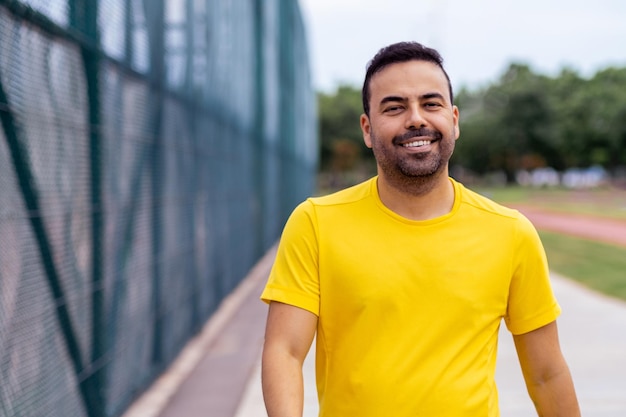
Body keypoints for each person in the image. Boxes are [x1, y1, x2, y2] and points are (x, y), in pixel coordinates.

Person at [260, 41, 580, 417]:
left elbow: (546, 374)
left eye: (431, 104)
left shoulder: (511, 233)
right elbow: (285, 351)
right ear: (367, 128)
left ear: (454, 120)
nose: (416, 119)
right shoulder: (315, 223)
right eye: (395, 107)